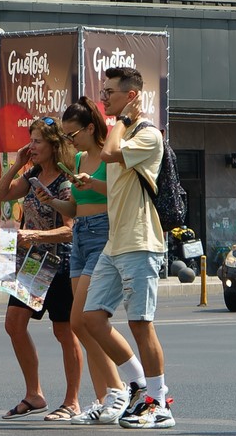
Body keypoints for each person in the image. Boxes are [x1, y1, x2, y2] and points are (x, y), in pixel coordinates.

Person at [79, 66, 173, 429]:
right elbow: (118, 183)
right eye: (103, 92)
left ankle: (158, 401)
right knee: (91, 318)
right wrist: (91, 184)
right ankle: (138, 385)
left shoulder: (146, 135)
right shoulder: (123, 134)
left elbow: (110, 153)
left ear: (131, 96)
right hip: (115, 242)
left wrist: (121, 119)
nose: (103, 98)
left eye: (110, 93)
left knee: (140, 324)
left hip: (140, 241)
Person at [0, 117, 84, 421]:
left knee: (64, 331)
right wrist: (17, 163)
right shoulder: (32, 175)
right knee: (13, 324)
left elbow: (70, 230)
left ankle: (72, 401)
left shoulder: (65, 182)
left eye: (37, 142)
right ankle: (34, 394)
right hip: (32, 263)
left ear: (54, 145)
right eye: (30, 140)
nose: (31, 147)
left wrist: (34, 236)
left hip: (58, 262)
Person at [57, 100, 130, 424]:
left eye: (73, 134)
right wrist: (53, 199)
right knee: (78, 324)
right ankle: (104, 399)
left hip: (103, 233)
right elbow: (73, 208)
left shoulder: (108, 156)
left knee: (86, 319)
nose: (70, 141)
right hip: (81, 236)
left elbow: (120, 194)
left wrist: (92, 183)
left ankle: (119, 389)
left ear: (89, 128)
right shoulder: (77, 159)